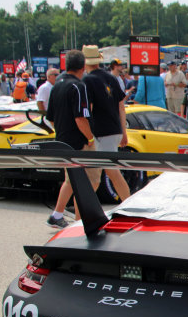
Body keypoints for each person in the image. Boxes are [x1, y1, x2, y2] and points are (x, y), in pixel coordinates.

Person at [44, 49, 96, 229]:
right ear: (83, 67)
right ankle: (81, 219)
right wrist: (90, 138)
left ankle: (57, 215)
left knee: (71, 180)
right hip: (78, 141)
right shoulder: (78, 86)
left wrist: (61, 130)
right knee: (91, 179)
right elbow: (80, 118)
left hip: (62, 139)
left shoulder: (57, 85)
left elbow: (49, 117)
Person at [81, 45, 130, 203]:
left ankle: (129, 203)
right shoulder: (111, 77)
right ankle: (83, 206)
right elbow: (121, 105)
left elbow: (89, 109)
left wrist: (87, 133)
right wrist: (123, 131)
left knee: (106, 173)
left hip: (100, 131)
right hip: (114, 128)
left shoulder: (88, 80)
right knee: (105, 172)